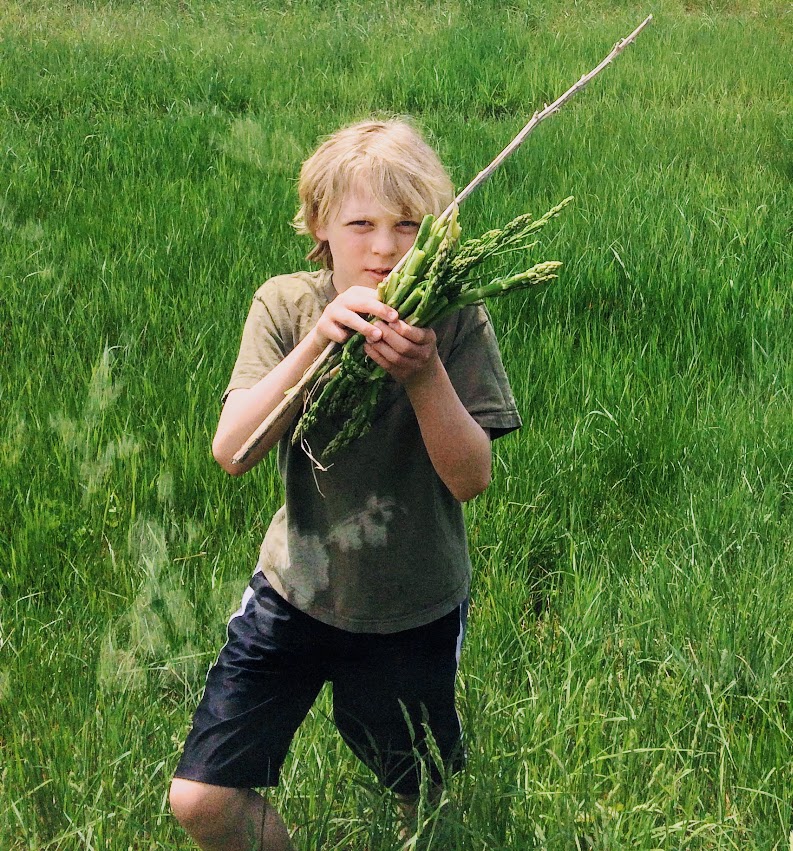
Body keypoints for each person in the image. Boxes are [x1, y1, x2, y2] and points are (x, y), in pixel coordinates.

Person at [169, 117, 521, 850]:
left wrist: (422, 374)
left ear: (434, 232)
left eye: (408, 224)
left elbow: (469, 478)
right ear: (320, 225)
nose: (385, 246)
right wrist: (320, 339)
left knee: (416, 800)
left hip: (410, 603)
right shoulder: (285, 304)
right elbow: (232, 451)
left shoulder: (452, 318)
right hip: (294, 592)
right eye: (360, 223)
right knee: (202, 798)